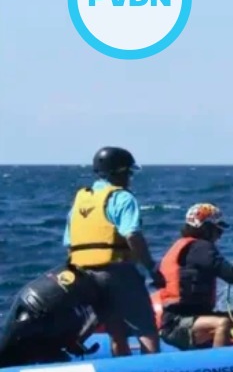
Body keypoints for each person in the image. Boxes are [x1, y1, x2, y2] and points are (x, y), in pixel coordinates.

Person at [63, 146, 163, 357]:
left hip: (86, 275)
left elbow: (69, 244)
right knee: (146, 329)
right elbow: (132, 234)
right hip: (117, 272)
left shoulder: (79, 202)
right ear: (119, 172)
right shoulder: (122, 198)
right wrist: (151, 268)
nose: (130, 177)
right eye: (128, 172)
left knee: (116, 331)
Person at [154, 203, 233, 350]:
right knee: (222, 324)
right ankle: (221, 367)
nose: (220, 234)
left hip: (198, 317)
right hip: (177, 323)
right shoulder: (200, 248)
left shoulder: (190, 247)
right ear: (205, 228)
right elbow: (232, 276)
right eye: (218, 229)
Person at [0, 267, 101, 367]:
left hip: (31, 294)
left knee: (8, 354)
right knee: (57, 358)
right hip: (52, 310)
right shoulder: (112, 280)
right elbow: (98, 316)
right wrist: (77, 341)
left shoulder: (86, 259)